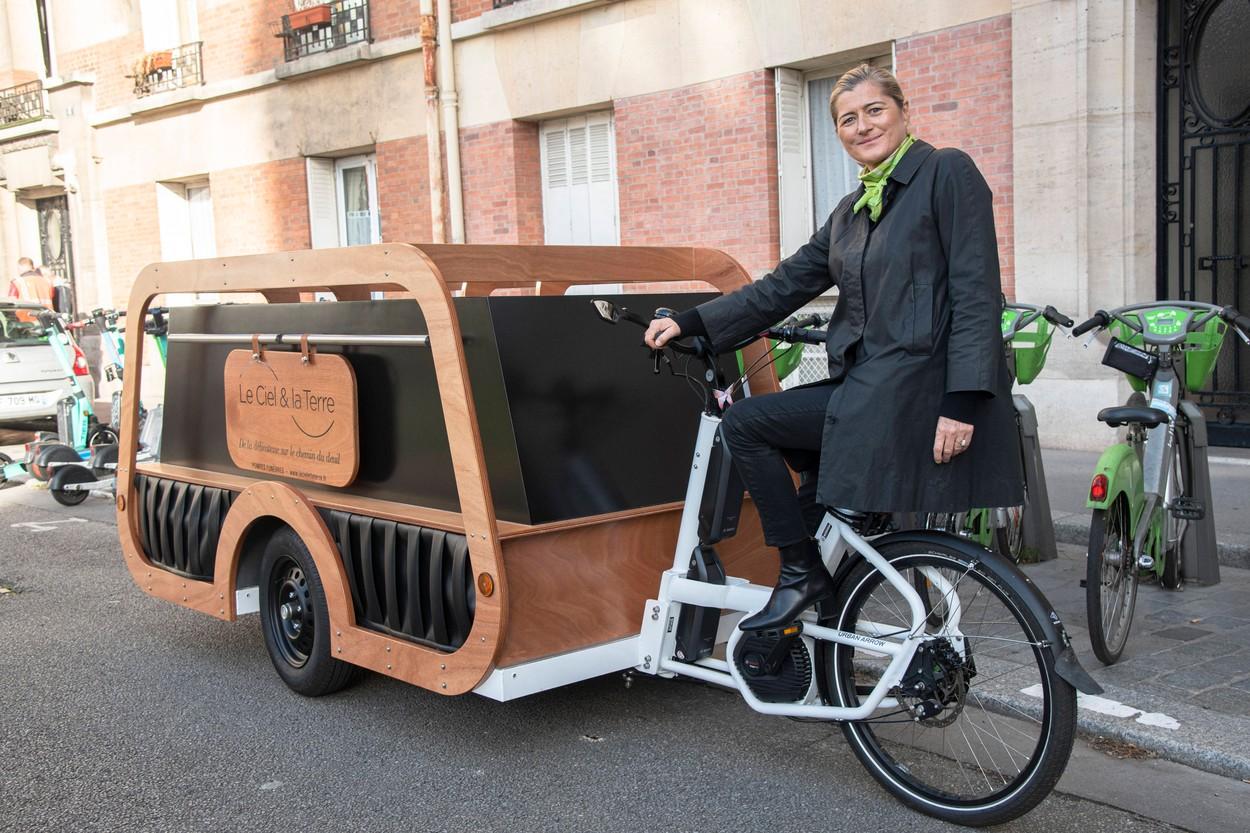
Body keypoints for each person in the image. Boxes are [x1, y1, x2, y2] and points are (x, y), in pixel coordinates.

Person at [644, 64, 1023, 632]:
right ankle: (807, 638)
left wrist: (964, 401)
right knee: (810, 501)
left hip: (916, 394)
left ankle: (801, 577)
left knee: (745, 424)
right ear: (838, 134)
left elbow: (976, 293)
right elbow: (782, 286)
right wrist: (692, 321)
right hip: (867, 389)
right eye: (848, 119)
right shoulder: (850, 214)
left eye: (875, 110)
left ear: (903, 112)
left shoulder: (945, 172)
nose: (863, 126)